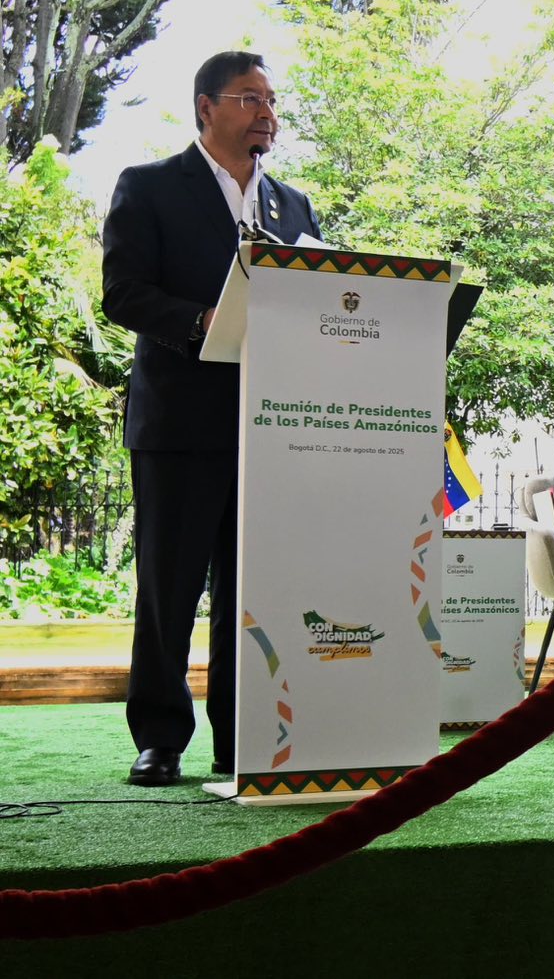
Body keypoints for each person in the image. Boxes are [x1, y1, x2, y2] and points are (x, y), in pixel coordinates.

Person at [101, 50, 324, 786]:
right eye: (250, 99)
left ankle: (244, 737)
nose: (268, 113)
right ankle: (160, 736)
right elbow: (124, 294)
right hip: (179, 426)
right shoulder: (151, 187)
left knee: (251, 589)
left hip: (271, 427)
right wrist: (204, 320)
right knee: (169, 588)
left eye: (272, 102)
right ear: (206, 107)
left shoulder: (292, 206)